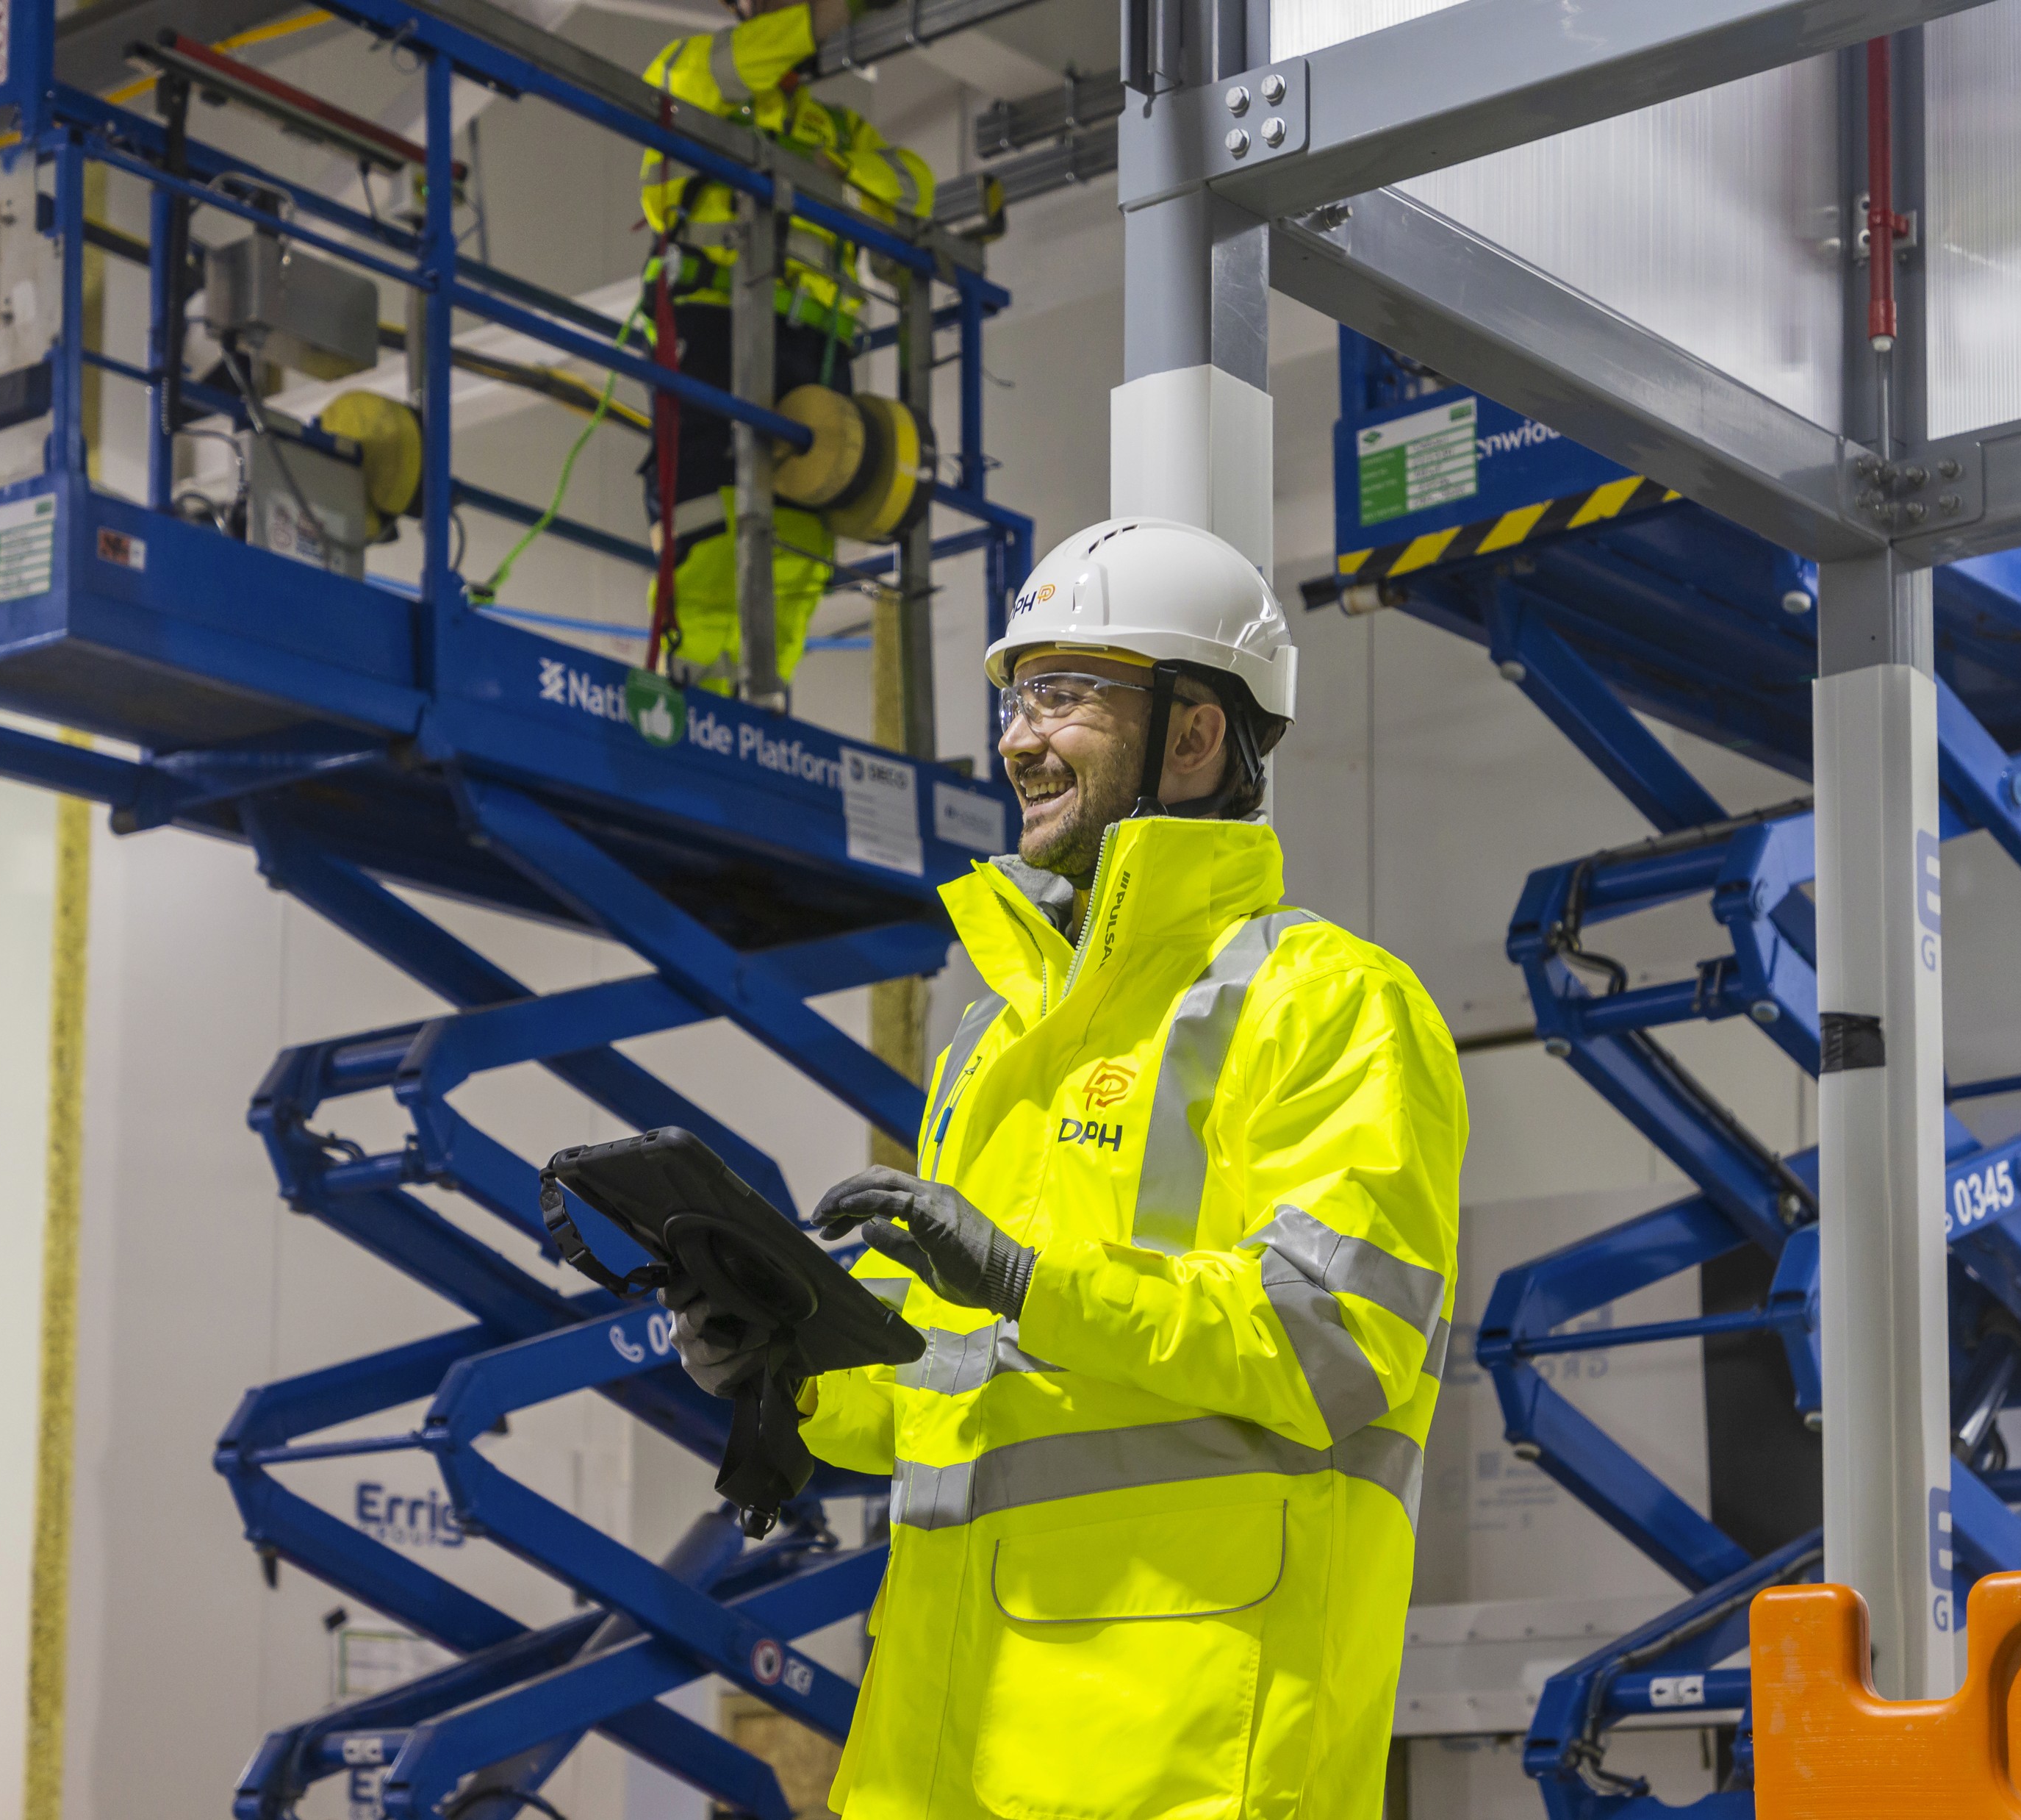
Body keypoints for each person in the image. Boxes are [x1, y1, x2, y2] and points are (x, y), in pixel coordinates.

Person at [663, 517, 1470, 1818]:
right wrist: (788, 1366)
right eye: (1016, 699)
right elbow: (950, 1397)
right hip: (941, 1757)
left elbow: (1335, 1340)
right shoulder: (996, 1042)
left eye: (1065, 695)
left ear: (1194, 735)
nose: (1018, 739)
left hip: (1178, 1762)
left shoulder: (1331, 1004)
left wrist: (1032, 1283)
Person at [633, 0, 931, 688]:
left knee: (804, 529)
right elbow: (722, 69)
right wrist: (822, 19)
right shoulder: (690, 70)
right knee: (710, 517)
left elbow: (914, 188)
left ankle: (758, 714)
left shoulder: (839, 128)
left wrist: (840, 164)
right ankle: (689, 711)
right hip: (716, 324)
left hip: (818, 347)